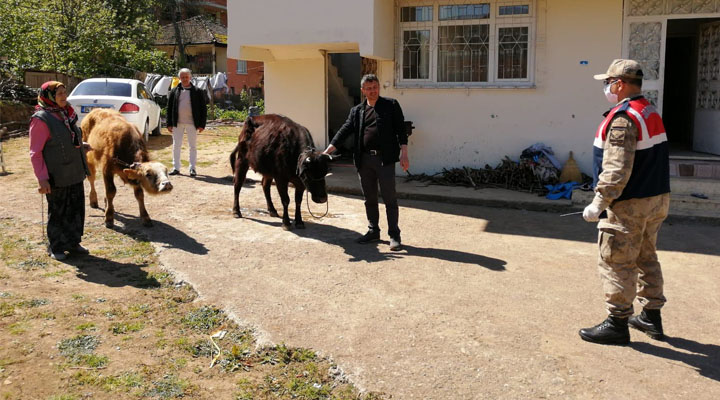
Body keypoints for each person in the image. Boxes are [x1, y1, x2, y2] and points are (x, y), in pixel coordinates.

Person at [579, 59, 671, 345]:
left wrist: (599, 202)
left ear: (619, 84)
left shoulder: (624, 117)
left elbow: (617, 168)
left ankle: (617, 322)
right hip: (655, 198)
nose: (606, 87)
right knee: (646, 256)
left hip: (629, 203)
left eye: (608, 82)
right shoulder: (648, 110)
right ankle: (650, 316)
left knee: (616, 259)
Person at [323, 74, 409, 251]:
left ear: (379, 87)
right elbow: (344, 131)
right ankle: (373, 231)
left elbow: (401, 130)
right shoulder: (357, 111)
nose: (373, 91)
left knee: (389, 198)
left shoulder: (391, 105)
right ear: (363, 91)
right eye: (369, 88)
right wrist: (327, 151)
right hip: (364, 161)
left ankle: (394, 235)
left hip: (385, 160)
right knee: (369, 198)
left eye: (375, 87)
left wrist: (404, 154)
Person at [29, 81, 91, 261]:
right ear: (49, 97)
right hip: (56, 175)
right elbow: (36, 153)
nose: (64, 96)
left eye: (65, 92)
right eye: (59, 94)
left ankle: (73, 243)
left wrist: (81, 146)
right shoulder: (40, 119)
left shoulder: (67, 113)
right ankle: (56, 246)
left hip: (74, 171)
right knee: (58, 211)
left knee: (75, 209)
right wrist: (42, 179)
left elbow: (69, 138)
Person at [166, 68, 207, 177]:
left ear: (190, 77)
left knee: (192, 146)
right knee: (176, 145)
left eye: (186, 77)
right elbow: (169, 108)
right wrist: (169, 123)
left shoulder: (198, 91)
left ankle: (192, 168)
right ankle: (176, 168)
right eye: (182, 77)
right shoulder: (174, 91)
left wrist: (202, 124)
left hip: (192, 123)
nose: (184, 79)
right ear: (179, 78)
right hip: (177, 123)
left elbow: (203, 109)